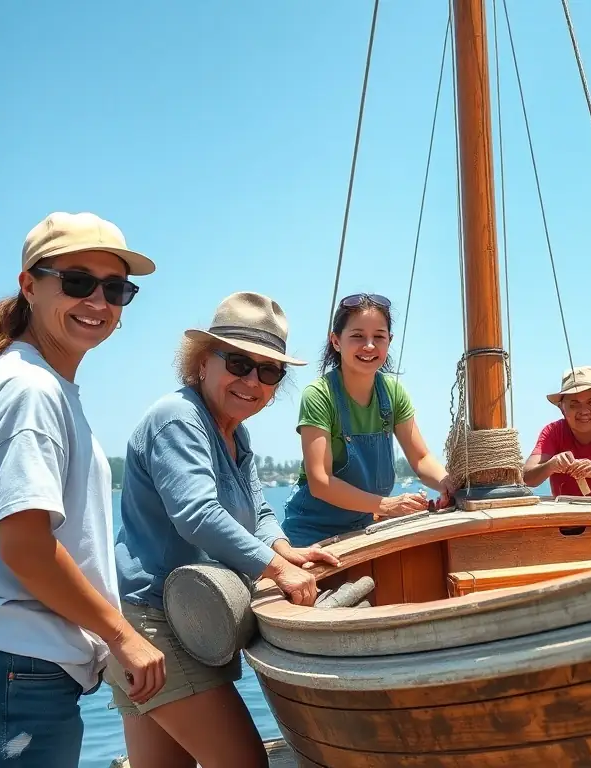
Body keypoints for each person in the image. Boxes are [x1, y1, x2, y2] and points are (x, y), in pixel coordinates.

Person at [111, 292, 338, 768]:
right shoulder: (178, 418)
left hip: (177, 617)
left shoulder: (236, 433)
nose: (252, 381)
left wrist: (285, 550)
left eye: (269, 371)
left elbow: (258, 510)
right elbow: (196, 513)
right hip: (157, 623)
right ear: (202, 363)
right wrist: (278, 570)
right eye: (238, 362)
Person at [0, 212, 165, 768]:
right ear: (28, 285)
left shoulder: (33, 381)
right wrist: (121, 637)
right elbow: (25, 545)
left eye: (115, 288)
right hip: (21, 667)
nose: (98, 300)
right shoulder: (33, 390)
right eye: (76, 281)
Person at [281, 293, 453, 547]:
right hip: (310, 535)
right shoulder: (319, 395)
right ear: (336, 341)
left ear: (389, 341)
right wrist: (388, 505)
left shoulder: (393, 393)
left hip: (363, 530)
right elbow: (320, 481)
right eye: (358, 336)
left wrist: (447, 484)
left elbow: (421, 458)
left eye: (379, 337)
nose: (369, 346)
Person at [523, 366, 591, 501]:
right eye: (574, 404)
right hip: (567, 516)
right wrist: (551, 465)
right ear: (562, 408)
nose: (583, 411)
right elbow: (527, 478)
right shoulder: (552, 432)